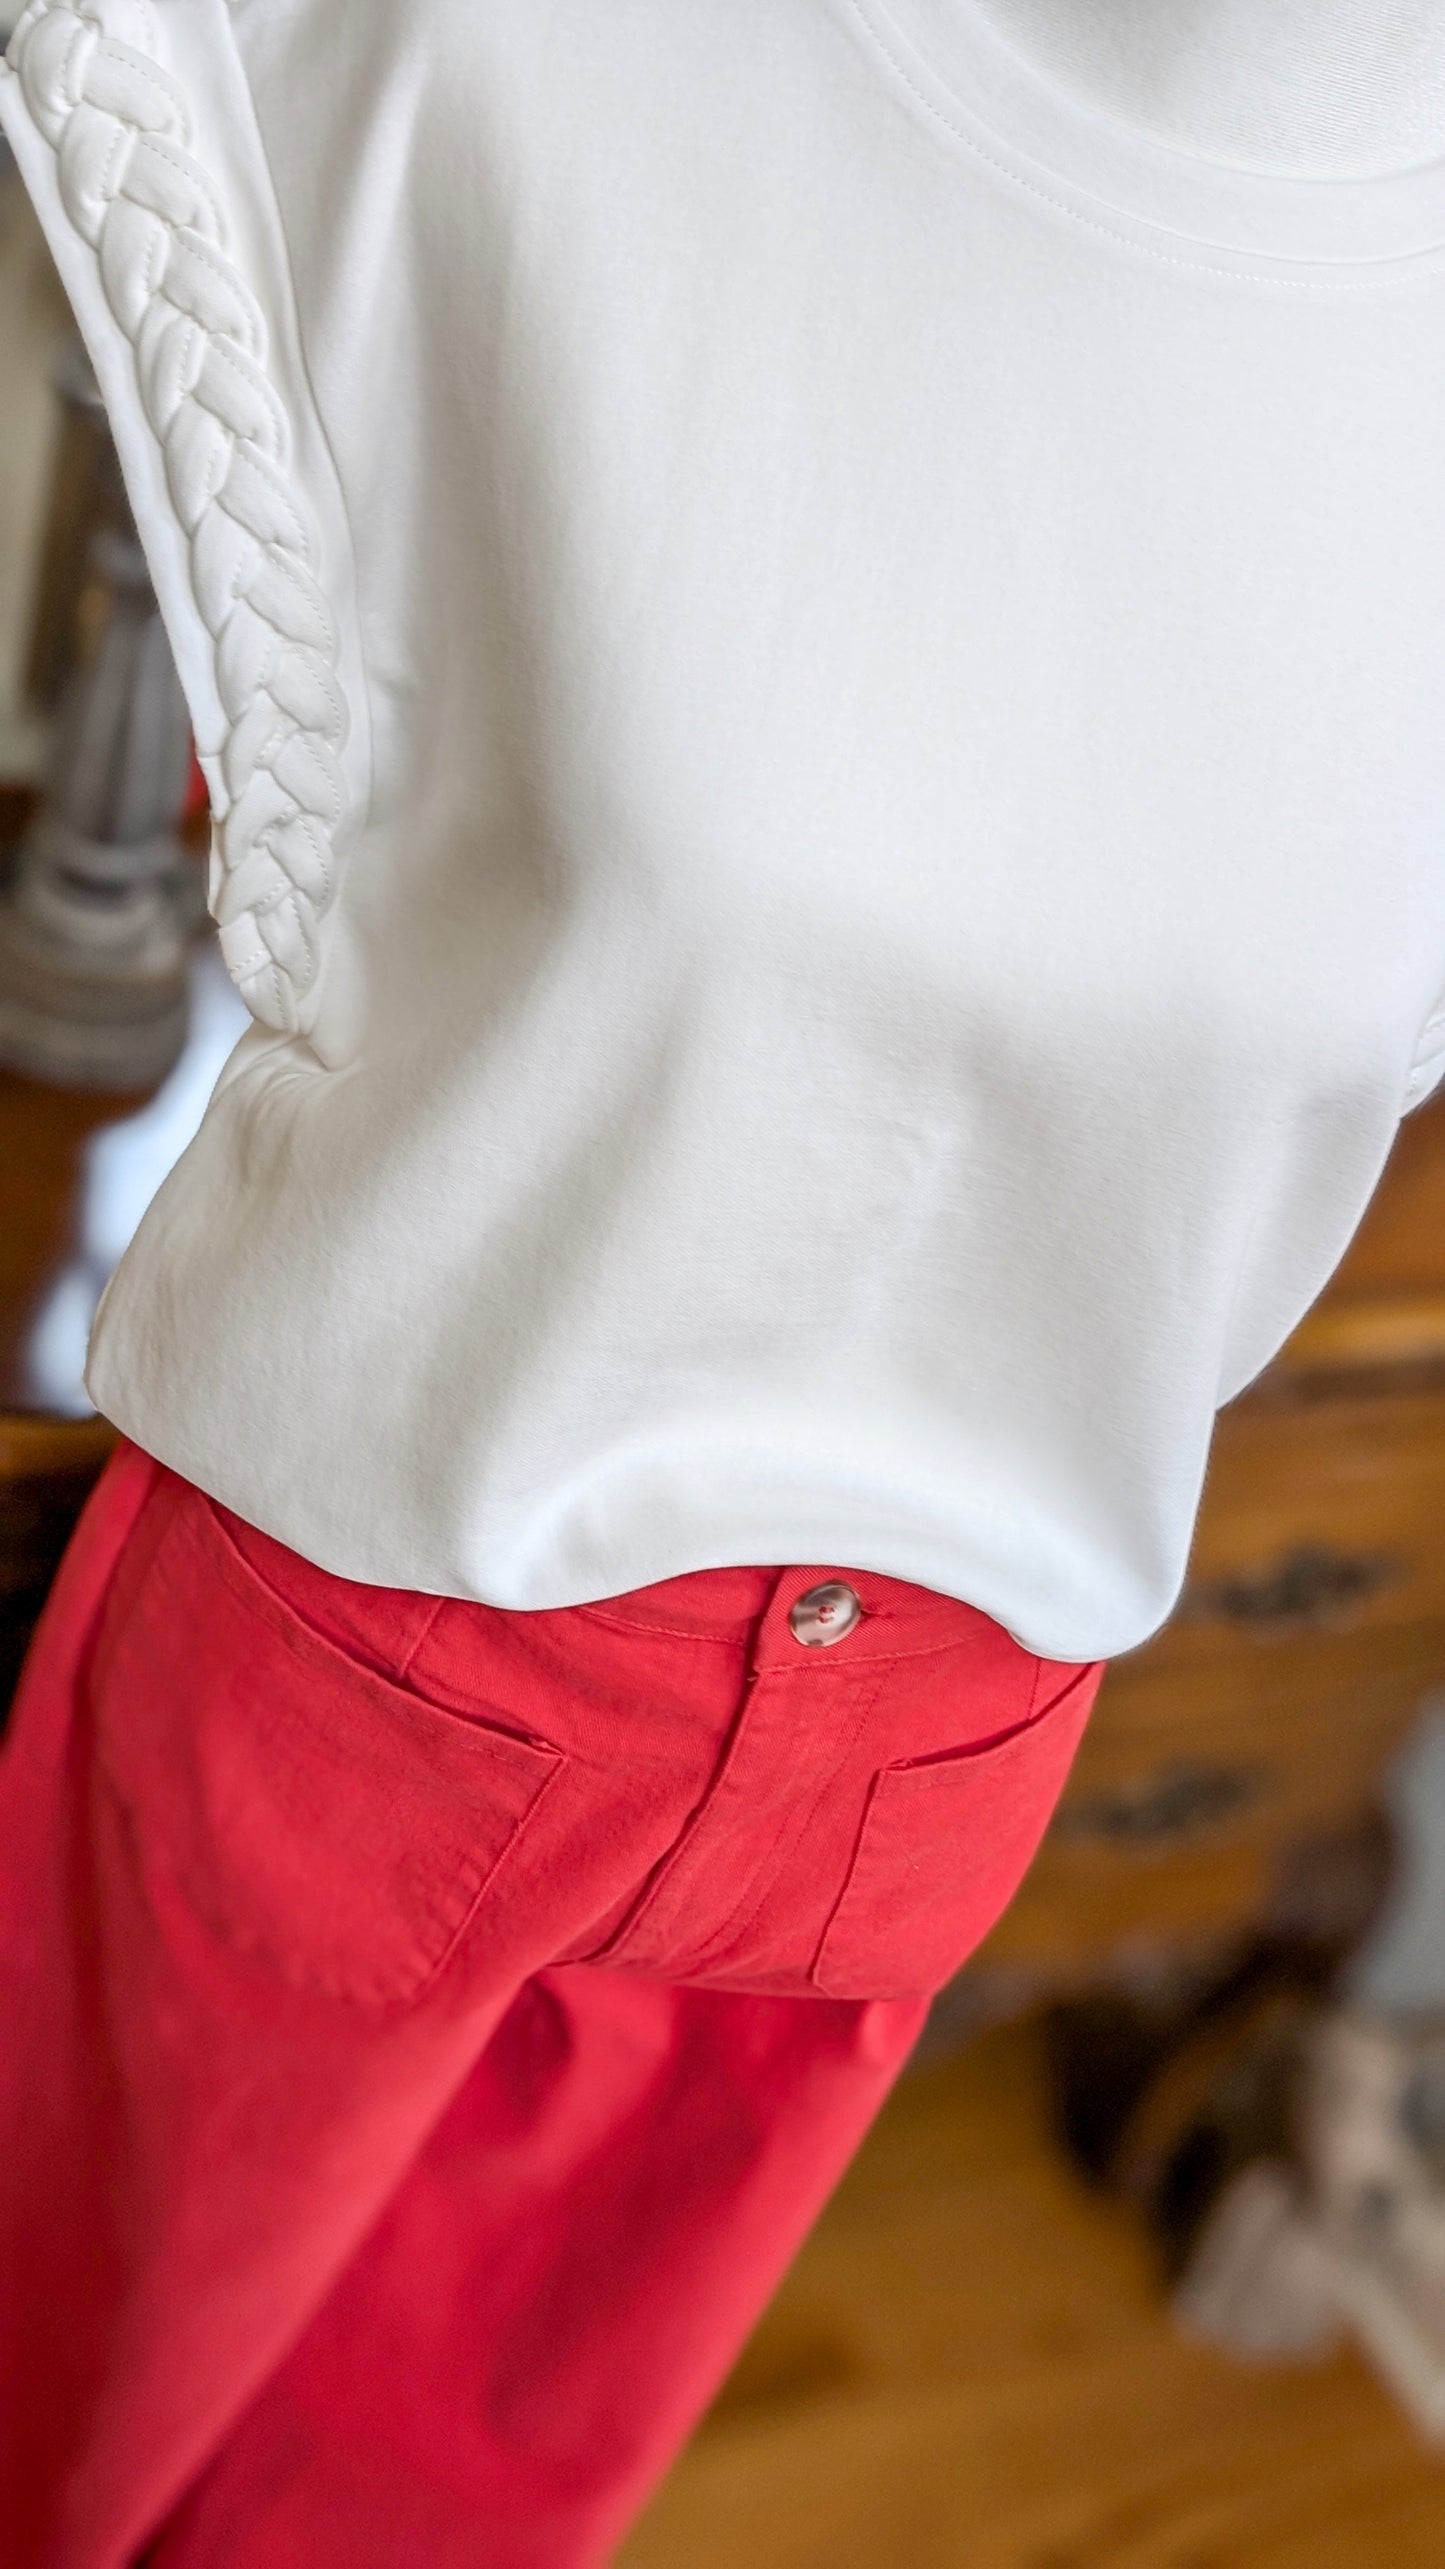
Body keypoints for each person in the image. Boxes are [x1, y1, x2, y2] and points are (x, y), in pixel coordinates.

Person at [2, 2, 1444, 2560]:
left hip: (941, 1751)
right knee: (50, 2380)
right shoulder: (567, 62)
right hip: (412, 1611)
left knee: (441, 2517)